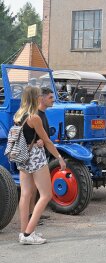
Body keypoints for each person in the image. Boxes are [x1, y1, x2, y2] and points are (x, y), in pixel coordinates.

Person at [15, 86, 66, 245]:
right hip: (35, 157)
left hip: (22, 156)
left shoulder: (18, 115)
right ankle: (29, 232)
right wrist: (59, 158)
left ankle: (24, 233)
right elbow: (48, 141)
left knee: (25, 194)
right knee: (46, 195)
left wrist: (39, 140)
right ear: (35, 98)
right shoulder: (34, 117)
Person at [28, 87, 54, 225]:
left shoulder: (43, 114)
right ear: (42, 98)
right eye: (50, 97)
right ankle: (31, 216)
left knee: (37, 188)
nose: (53, 100)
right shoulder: (36, 115)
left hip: (43, 154)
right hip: (36, 156)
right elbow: (30, 135)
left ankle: (35, 213)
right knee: (32, 188)